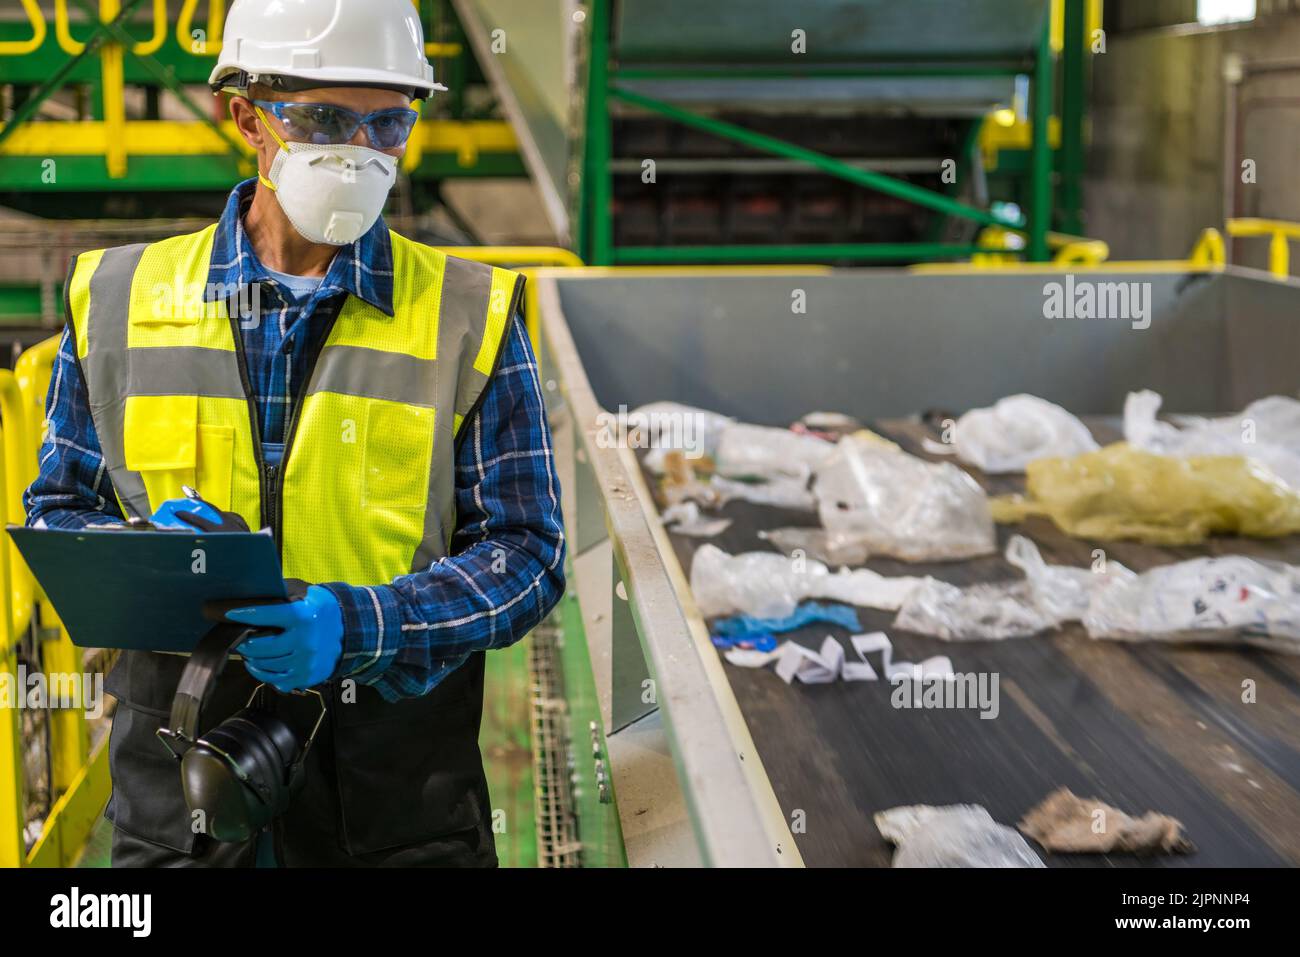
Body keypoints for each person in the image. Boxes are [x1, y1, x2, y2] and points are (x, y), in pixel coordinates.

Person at [24, 0, 565, 867]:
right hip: (183, 780)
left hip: (395, 795)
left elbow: (528, 553)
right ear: (247, 117)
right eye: (322, 119)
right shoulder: (120, 300)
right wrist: (140, 555)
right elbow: (56, 513)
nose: (358, 150)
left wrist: (364, 622)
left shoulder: (470, 313)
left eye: (388, 121)